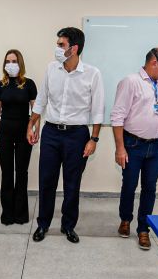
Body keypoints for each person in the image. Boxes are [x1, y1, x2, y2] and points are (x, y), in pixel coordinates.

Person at [27, 27, 104, 244]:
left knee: (72, 184)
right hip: (51, 132)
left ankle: (68, 226)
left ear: (74, 48)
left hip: (77, 135)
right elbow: (41, 100)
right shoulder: (51, 69)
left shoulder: (92, 74)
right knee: (46, 181)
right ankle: (43, 224)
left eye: (61, 45)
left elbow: (98, 109)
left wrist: (94, 139)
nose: (57, 49)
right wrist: (31, 124)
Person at [111, 47, 158, 251]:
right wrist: (120, 148)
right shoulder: (131, 82)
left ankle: (143, 229)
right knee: (129, 186)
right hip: (133, 144)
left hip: (155, 147)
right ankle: (125, 219)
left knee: (150, 188)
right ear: (154, 62)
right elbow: (117, 116)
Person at [0, 50, 37, 225]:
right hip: (5, 132)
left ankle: (21, 214)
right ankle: (7, 214)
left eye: (14, 61)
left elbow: (36, 110)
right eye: (8, 61)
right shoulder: (0, 85)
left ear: (21, 63)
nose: (11, 64)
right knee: (7, 173)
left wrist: (35, 129)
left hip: (24, 132)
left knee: (22, 173)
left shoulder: (29, 84)